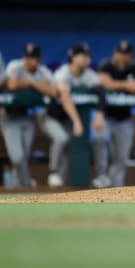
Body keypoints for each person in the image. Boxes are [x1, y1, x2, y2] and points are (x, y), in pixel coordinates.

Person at [92, 40, 135, 188]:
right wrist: (127, 85)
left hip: (125, 119)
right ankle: (102, 176)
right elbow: (105, 82)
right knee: (99, 139)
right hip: (106, 116)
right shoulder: (106, 64)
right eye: (121, 53)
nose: (123, 57)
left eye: (126, 54)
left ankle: (116, 186)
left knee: (121, 156)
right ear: (115, 53)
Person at [3, 43, 57, 189]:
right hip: (11, 117)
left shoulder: (43, 71)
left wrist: (29, 82)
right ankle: (27, 185)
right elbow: (12, 85)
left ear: (39, 59)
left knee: (23, 159)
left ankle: (12, 190)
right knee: (17, 157)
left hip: (29, 117)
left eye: (32, 58)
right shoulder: (15, 65)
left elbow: (52, 92)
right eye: (27, 57)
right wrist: (35, 83)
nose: (28, 60)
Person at [49, 42, 96, 187]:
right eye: (83, 55)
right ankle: (53, 172)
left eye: (88, 56)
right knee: (62, 139)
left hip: (68, 119)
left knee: (69, 146)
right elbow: (64, 95)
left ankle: (60, 186)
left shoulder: (88, 74)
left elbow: (100, 90)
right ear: (73, 57)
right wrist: (76, 121)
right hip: (53, 116)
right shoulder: (62, 73)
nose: (86, 59)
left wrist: (99, 114)